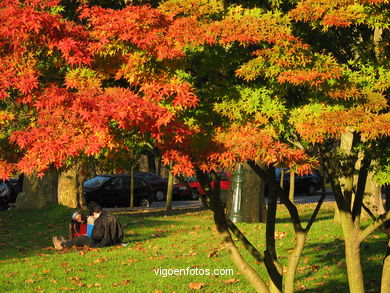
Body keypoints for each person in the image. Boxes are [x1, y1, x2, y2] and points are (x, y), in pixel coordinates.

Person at [53, 202, 123, 250]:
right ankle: (66, 243)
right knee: (82, 238)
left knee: (82, 238)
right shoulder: (112, 217)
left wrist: (90, 235)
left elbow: (96, 236)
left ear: (94, 213)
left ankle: (62, 245)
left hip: (103, 244)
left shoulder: (99, 220)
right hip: (115, 242)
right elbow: (120, 233)